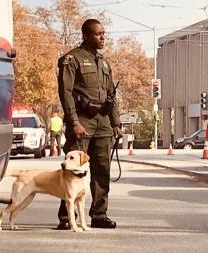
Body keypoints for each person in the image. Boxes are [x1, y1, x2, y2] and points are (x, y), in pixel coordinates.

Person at [57, 19, 122, 229]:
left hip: (102, 122)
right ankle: (67, 216)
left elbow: (112, 95)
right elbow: (65, 93)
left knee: (102, 169)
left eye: (103, 33)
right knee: (74, 170)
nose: (102, 37)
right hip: (82, 119)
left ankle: (99, 214)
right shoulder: (71, 59)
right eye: (98, 34)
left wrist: (116, 123)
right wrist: (74, 121)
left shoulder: (104, 63)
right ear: (86, 35)